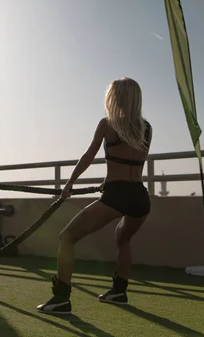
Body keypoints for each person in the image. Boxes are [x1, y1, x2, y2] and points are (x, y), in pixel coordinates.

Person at [36, 77, 153, 315]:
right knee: (123, 238)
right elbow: (133, 162)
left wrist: (69, 183)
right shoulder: (147, 127)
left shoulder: (107, 124)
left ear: (115, 98)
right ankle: (119, 292)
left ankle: (60, 299)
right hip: (140, 197)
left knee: (67, 237)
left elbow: (88, 156)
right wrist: (110, 181)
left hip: (117, 195)